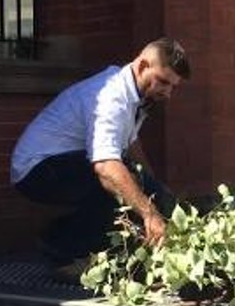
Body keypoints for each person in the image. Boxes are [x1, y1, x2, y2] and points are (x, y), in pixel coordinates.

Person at [10, 37, 190, 279]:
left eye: (173, 87)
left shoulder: (138, 96)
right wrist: (149, 213)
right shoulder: (110, 95)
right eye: (163, 82)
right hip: (37, 169)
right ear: (143, 66)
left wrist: (155, 191)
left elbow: (131, 144)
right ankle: (61, 250)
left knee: (138, 184)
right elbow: (106, 166)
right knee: (116, 181)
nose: (167, 92)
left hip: (67, 162)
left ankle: (68, 240)